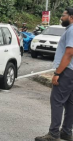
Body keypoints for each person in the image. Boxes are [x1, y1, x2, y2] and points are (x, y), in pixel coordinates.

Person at [35, 7, 73, 141]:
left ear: (71, 17)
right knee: (70, 103)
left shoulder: (72, 30)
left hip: (67, 71)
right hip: (71, 72)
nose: (62, 18)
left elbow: (69, 53)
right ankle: (67, 132)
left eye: (64, 15)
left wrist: (57, 73)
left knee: (57, 101)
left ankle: (53, 134)